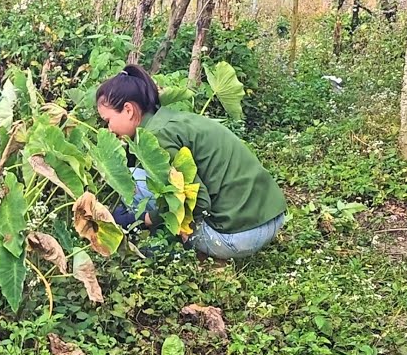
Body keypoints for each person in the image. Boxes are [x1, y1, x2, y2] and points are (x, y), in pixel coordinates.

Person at [94, 64, 288, 260]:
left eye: (107, 120)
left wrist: (144, 219)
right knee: (140, 177)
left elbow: (199, 203)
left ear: (128, 110)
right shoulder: (169, 120)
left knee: (133, 179)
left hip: (236, 237)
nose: (108, 129)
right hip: (271, 217)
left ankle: (170, 252)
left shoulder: (158, 137)